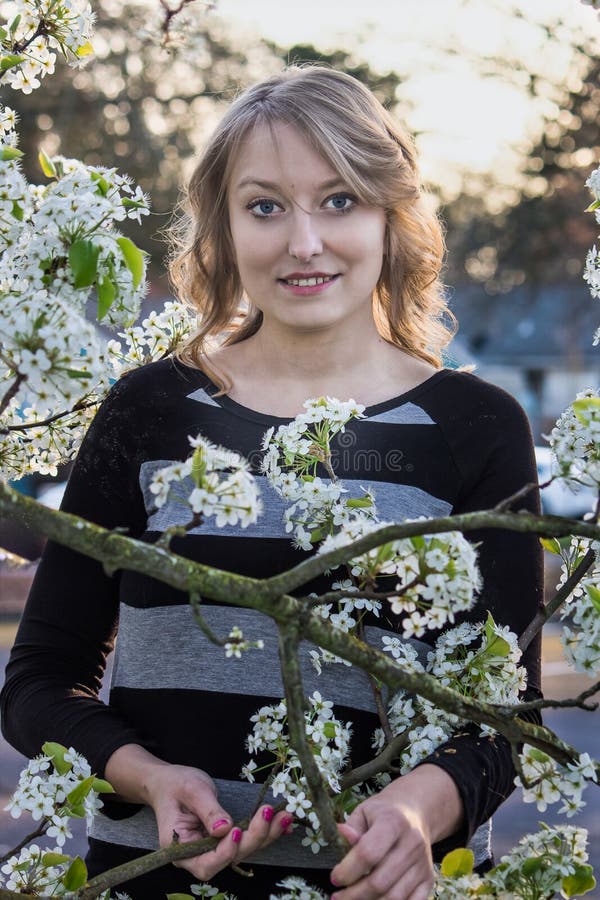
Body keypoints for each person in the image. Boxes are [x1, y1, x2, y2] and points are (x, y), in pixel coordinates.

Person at [1, 66, 543, 900]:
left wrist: (417, 812)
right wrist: (144, 776)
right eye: (264, 206)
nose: (304, 242)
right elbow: (40, 682)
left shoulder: (475, 428)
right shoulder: (149, 410)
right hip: (157, 882)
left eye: (339, 201)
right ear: (220, 226)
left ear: (391, 216)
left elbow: (507, 719)